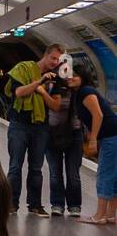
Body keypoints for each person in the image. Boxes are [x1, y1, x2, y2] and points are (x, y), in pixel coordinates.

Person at [5, 44, 64, 217]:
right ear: (45, 55)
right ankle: (11, 203)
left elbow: (55, 105)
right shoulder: (23, 69)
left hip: (40, 126)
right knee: (15, 166)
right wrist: (39, 82)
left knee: (36, 168)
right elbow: (19, 92)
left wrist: (43, 92)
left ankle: (35, 205)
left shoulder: (56, 78)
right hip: (19, 124)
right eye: (53, 58)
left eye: (58, 60)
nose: (55, 62)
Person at [74, 57, 117, 225]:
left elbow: (98, 115)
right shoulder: (82, 91)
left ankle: (99, 216)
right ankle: (111, 215)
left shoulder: (85, 91)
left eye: (75, 75)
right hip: (113, 134)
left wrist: (92, 140)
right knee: (113, 176)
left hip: (111, 136)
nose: (70, 77)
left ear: (82, 76)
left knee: (104, 174)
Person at [41, 59, 84, 217]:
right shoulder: (49, 86)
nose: (67, 75)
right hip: (52, 134)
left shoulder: (79, 90)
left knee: (73, 173)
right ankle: (57, 204)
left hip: (74, 133)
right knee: (55, 172)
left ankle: (74, 205)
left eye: (69, 71)